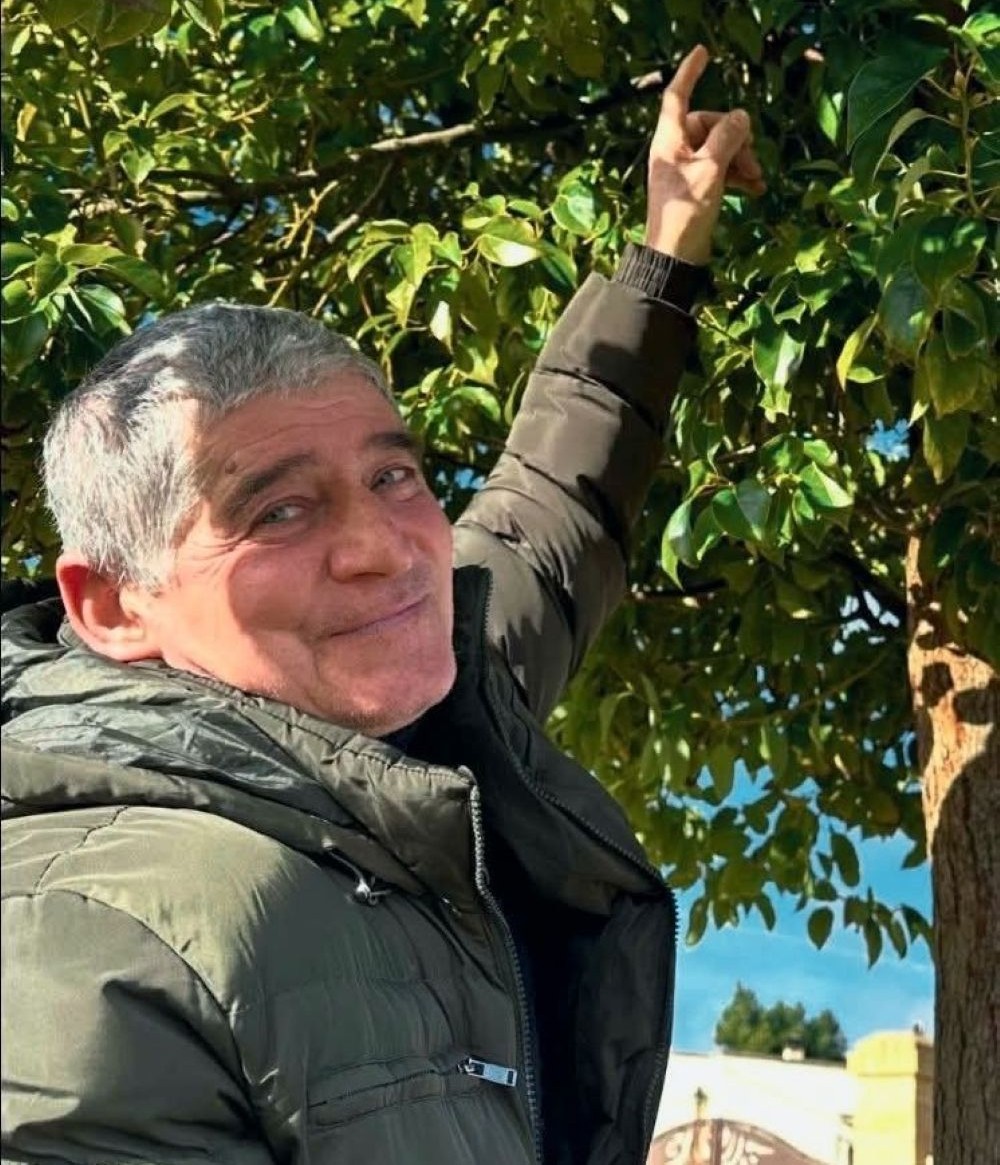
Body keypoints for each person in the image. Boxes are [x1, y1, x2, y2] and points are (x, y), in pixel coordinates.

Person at [1, 47, 762, 1165]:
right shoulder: (79, 942)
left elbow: (549, 508)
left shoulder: (415, 704)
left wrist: (664, 252)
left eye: (394, 475)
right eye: (277, 512)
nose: (382, 548)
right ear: (114, 605)